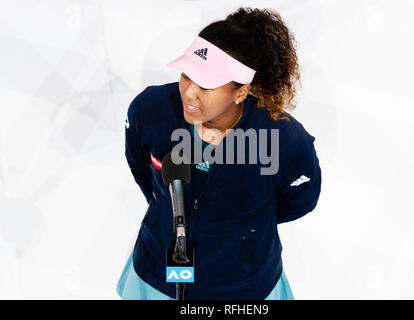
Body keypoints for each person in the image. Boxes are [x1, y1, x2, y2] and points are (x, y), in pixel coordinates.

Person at [116, 7, 322, 300]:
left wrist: (236, 224)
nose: (188, 92)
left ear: (240, 92)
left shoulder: (286, 142)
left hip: (244, 287)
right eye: (187, 75)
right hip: (158, 276)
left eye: (206, 85)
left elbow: (299, 201)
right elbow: (141, 168)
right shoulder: (150, 111)